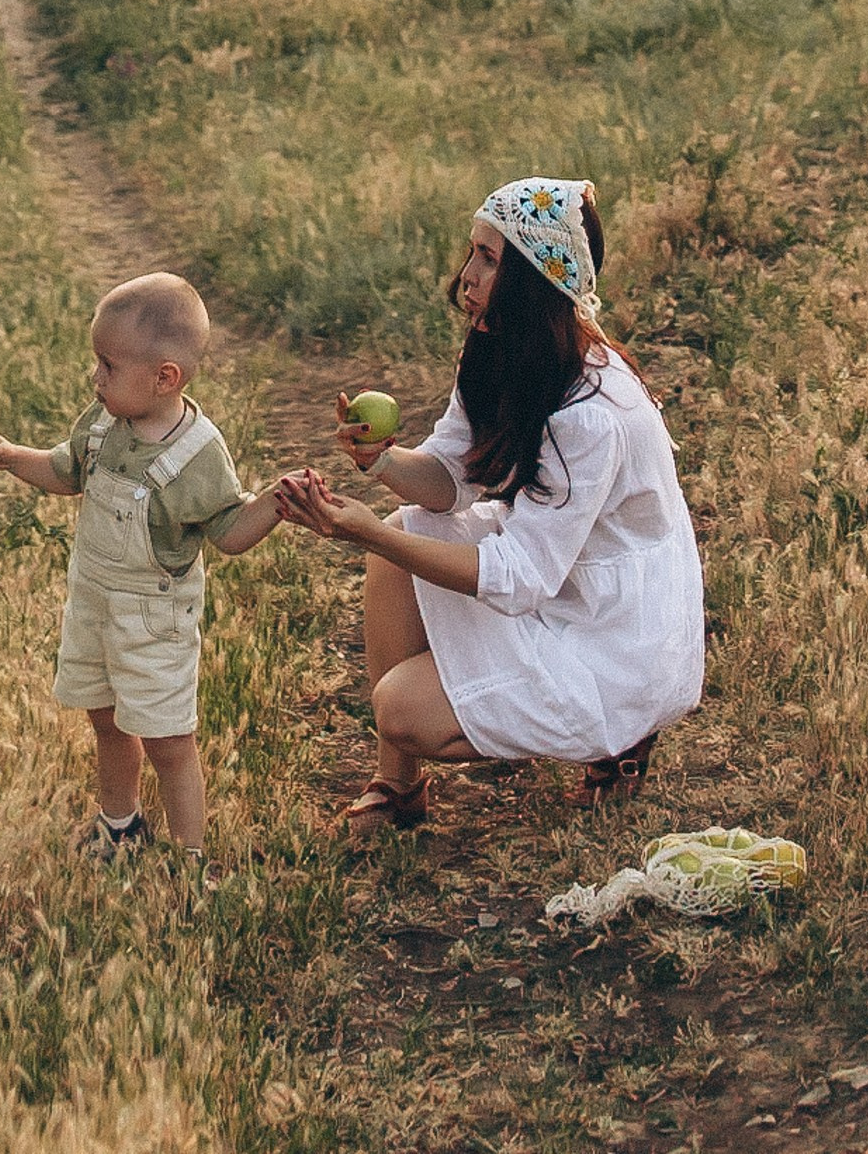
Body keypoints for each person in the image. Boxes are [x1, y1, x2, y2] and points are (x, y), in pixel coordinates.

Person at [275, 176, 703, 837]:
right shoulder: (501, 345)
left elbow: (520, 576)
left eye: (489, 258)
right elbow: (452, 476)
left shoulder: (593, 412)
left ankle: (621, 732)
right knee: (405, 529)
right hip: (564, 583)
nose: (465, 276)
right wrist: (383, 460)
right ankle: (399, 786)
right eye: (472, 251)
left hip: (616, 631)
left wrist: (363, 532)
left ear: (534, 279)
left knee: (399, 702)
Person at [0, 268, 283, 861]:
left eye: (108, 367)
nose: (95, 379)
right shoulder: (102, 425)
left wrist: (275, 505)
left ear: (166, 377)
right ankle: (121, 827)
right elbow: (65, 473)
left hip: (154, 618)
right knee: (107, 719)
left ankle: (192, 857)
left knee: (169, 739)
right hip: (93, 601)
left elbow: (229, 531)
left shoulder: (197, 454)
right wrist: (12, 456)